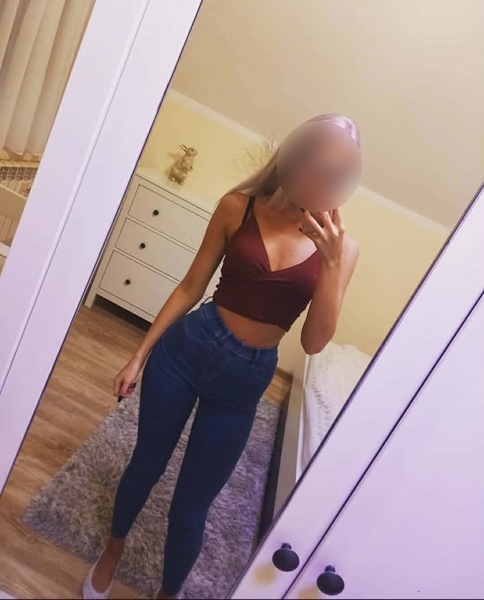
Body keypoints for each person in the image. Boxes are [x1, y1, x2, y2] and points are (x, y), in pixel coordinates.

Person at [82, 113, 362, 599]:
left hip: (243, 382)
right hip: (187, 349)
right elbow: (191, 286)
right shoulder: (239, 206)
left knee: (192, 507)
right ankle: (112, 551)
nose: (323, 177)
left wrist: (333, 266)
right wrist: (138, 356)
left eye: (336, 172)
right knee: (145, 464)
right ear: (297, 158)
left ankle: (169, 593)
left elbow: (314, 343)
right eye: (317, 163)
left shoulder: (343, 250)